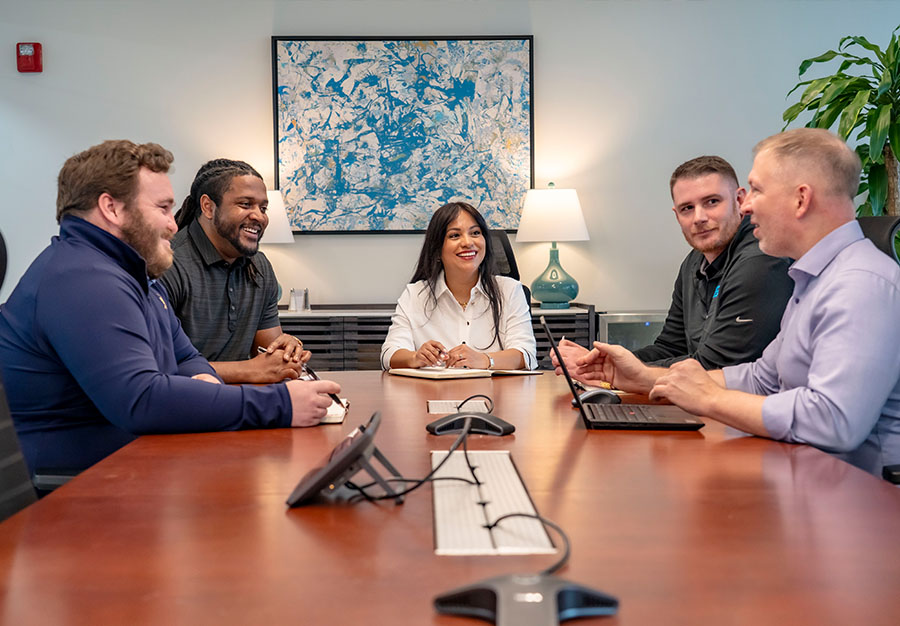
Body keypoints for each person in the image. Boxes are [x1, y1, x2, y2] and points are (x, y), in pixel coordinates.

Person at [0, 140, 340, 476]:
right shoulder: (82, 278)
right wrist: (281, 404)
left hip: (136, 463)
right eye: (162, 209)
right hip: (74, 489)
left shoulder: (134, 276)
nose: (173, 224)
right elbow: (142, 399)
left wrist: (207, 395)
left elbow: (186, 358)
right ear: (112, 208)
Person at [573, 129, 900, 476]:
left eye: (757, 190)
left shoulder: (861, 283)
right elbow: (762, 378)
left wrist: (710, 399)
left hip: (859, 502)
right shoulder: (814, 280)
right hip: (805, 475)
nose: (746, 205)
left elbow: (833, 421)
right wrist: (643, 378)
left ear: (801, 199)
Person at [558, 156, 793, 372]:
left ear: (740, 200)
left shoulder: (762, 260)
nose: (699, 217)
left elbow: (715, 366)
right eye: (687, 208)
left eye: (712, 202)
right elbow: (671, 347)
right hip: (704, 402)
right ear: (676, 214)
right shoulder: (693, 263)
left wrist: (611, 370)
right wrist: (599, 362)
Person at [159, 159, 309, 384]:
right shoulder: (166, 264)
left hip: (243, 402)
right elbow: (158, 365)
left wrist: (286, 351)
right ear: (208, 207)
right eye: (246, 204)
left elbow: (269, 354)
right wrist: (249, 370)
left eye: (263, 208)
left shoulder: (260, 266)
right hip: (182, 406)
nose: (259, 216)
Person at [381, 202, 537, 370]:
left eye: (475, 233)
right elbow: (389, 354)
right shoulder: (415, 295)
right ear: (437, 248)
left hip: (493, 394)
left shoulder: (510, 290)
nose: (468, 242)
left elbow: (526, 355)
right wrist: (415, 357)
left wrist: (485, 360)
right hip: (432, 393)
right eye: (455, 235)